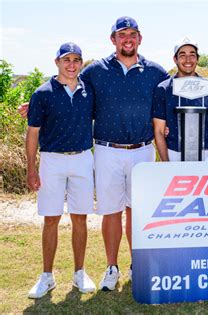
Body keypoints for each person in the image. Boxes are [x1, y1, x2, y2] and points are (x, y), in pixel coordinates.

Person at [78, 16, 170, 291]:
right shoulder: (95, 71)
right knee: (111, 211)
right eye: (122, 34)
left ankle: (136, 264)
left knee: (137, 211)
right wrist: (37, 100)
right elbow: (67, 85)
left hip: (142, 150)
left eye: (132, 34)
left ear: (140, 39)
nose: (127, 38)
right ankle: (111, 267)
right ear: (113, 40)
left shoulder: (156, 71)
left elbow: (179, 92)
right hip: (107, 150)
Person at [26, 43, 96, 298]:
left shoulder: (89, 91)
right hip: (51, 160)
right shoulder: (42, 93)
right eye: (66, 59)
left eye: (76, 60)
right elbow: (32, 133)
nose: (71, 64)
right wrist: (31, 168)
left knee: (80, 217)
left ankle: (79, 273)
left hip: (82, 159)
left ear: (81, 63)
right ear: (56, 62)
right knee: (51, 218)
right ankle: (47, 276)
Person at [152, 38, 208, 161]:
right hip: (173, 153)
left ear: (197, 59)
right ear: (175, 59)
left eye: (192, 55)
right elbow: (159, 131)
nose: (188, 60)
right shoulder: (163, 89)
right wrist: (166, 163)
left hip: (205, 153)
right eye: (182, 55)